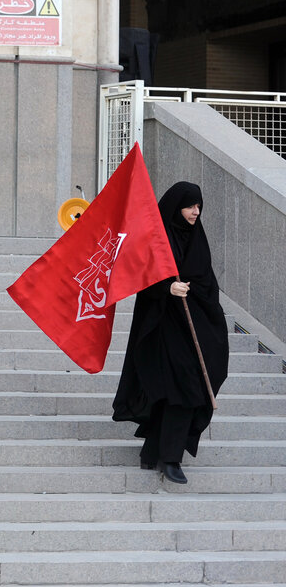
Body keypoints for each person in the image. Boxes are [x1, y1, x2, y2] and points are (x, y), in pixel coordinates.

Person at [112, 181, 229, 484]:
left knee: (186, 387)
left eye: (199, 206)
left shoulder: (196, 238)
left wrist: (192, 291)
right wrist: (167, 286)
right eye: (190, 205)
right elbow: (141, 274)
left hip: (196, 325)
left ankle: (152, 451)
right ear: (177, 206)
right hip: (164, 326)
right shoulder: (158, 239)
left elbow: (206, 282)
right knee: (183, 389)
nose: (195, 211)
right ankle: (171, 458)